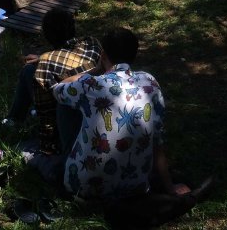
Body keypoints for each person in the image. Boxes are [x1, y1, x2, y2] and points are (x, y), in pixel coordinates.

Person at [53, 28, 190, 200]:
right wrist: (170, 187)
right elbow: (157, 141)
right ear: (134, 55)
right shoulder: (150, 82)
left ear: (103, 55)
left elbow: (57, 90)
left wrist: (95, 70)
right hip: (136, 188)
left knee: (66, 104)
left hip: (83, 188)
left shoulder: (90, 84)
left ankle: (56, 157)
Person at [6, 9, 102, 155]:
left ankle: (12, 120)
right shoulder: (92, 43)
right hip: (96, 110)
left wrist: (47, 145)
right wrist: (42, 57)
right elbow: (71, 58)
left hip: (68, 119)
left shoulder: (46, 64)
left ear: (47, 35)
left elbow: (46, 112)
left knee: (28, 71)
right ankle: (13, 119)